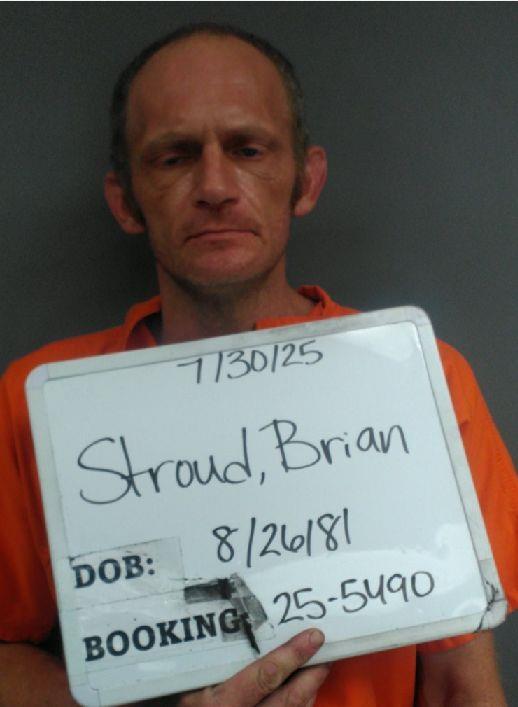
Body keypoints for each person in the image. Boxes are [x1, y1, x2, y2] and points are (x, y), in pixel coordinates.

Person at [0, 22, 516, 707]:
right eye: (174, 157)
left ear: (306, 181)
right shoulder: (37, 400)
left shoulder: (422, 377)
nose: (215, 186)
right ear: (125, 200)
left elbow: (462, 683)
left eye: (247, 149)